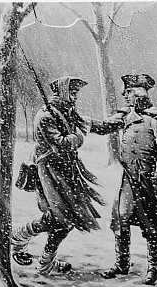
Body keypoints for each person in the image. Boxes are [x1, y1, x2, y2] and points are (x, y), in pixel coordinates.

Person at [10, 76, 125, 274]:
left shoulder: (69, 112)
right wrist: (79, 135)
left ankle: (45, 262)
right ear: (62, 92)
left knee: (70, 217)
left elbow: (96, 126)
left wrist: (119, 120)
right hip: (50, 171)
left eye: (76, 94)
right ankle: (18, 239)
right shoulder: (45, 116)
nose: (75, 98)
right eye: (72, 93)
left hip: (67, 171)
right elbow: (62, 143)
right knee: (60, 217)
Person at [101, 74, 157, 285]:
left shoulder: (156, 118)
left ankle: (153, 269)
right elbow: (102, 127)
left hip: (149, 180)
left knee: (151, 225)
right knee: (121, 219)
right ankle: (121, 264)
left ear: (140, 93)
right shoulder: (125, 116)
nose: (125, 95)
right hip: (129, 180)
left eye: (129, 92)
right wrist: (78, 120)